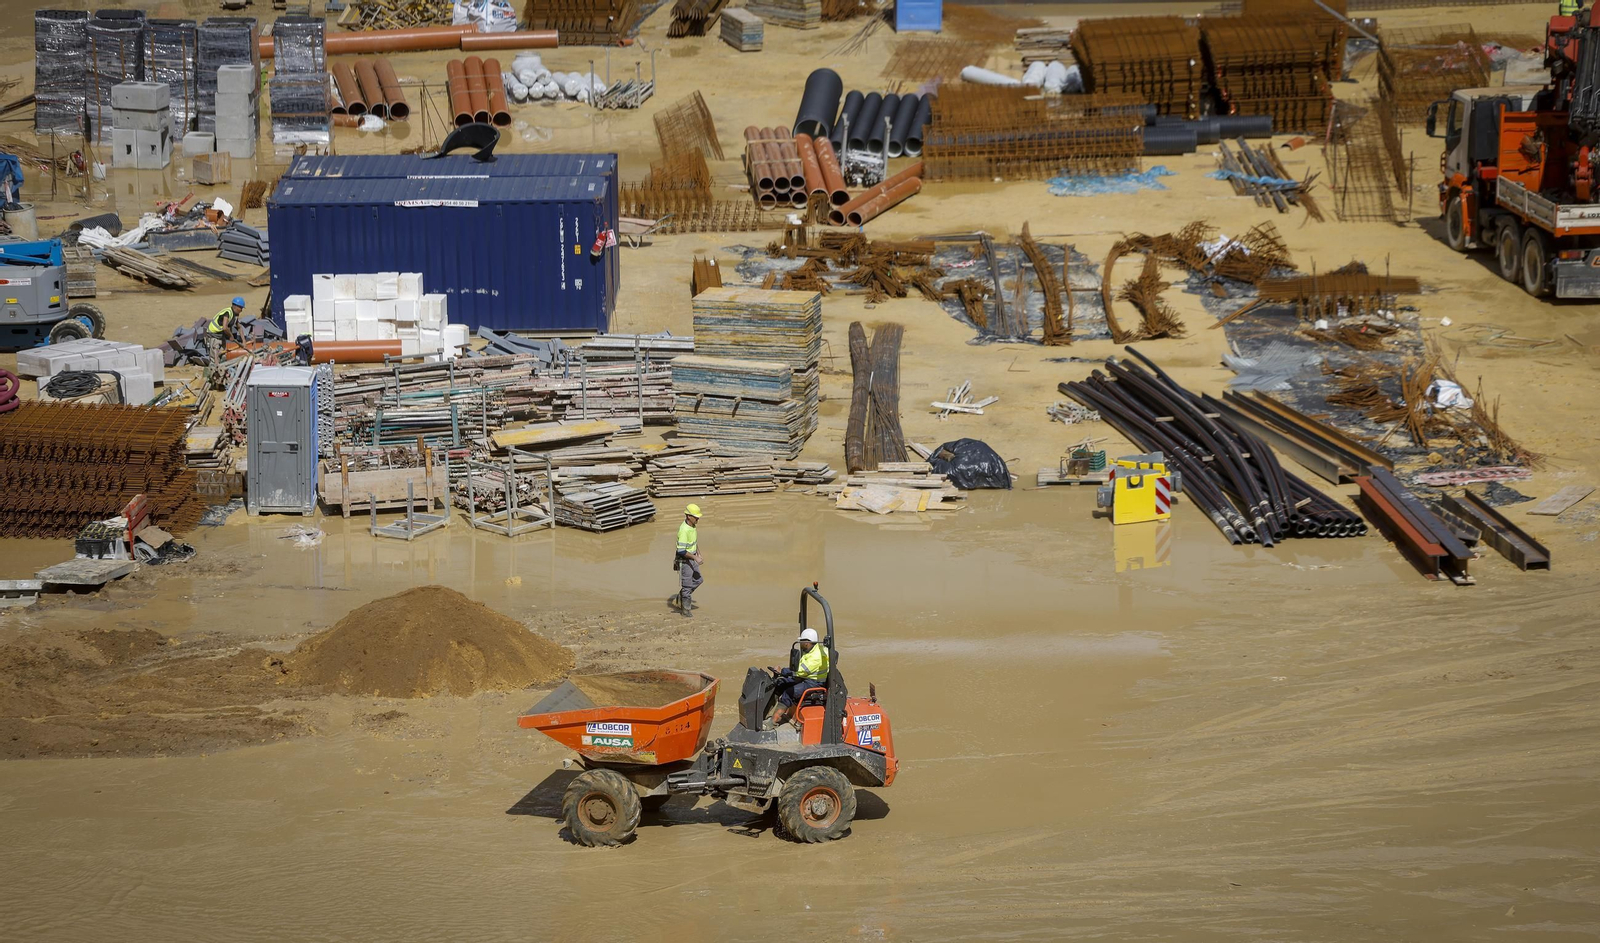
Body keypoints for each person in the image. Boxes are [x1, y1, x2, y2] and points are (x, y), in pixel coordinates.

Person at [770, 627, 829, 726]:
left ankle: (773, 721)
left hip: (814, 683)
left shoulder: (815, 657)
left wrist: (782, 671)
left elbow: (800, 671)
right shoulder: (813, 650)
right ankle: (767, 712)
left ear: (807, 642)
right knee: (780, 683)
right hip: (808, 678)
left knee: (788, 693)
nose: (800, 643)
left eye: (801, 641)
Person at [670, 504, 703, 616]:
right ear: (689, 516)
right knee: (687, 586)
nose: (698, 519)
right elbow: (681, 551)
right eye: (696, 517)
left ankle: (682, 595)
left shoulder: (693, 526)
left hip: (692, 557)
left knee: (699, 580)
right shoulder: (684, 530)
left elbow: (694, 541)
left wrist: (698, 553)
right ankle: (686, 611)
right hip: (685, 560)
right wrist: (695, 558)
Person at [205, 297, 246, 362]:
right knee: (215, 356)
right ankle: (214, 369)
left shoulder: (235, 315)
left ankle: (222, 367)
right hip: (213, 335)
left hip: (221, 335)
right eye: (241, 308)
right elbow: (225, 327)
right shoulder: (227, 312)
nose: (241, 310)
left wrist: (243, 341)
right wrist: (231, 336)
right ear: (235, 306)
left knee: (222, 355)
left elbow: (239, 327)